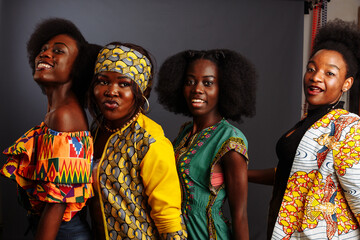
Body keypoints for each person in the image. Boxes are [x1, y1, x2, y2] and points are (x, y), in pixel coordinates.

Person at [248, 19, 360, 239]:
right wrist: (240, 174)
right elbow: (291, 173)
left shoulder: (348, 127)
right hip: (283, 228)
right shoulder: (309, 123)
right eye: (311, 68)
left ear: (346, 83)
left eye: (329, 73)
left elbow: (358, 193)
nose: (316, 77)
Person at [0, 18, 100, 239]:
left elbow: (57, 203)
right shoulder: (59, 113)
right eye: (43, 49)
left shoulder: (64, 116)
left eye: (58, 51)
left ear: (77, 66)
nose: (45, 54)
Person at [88, 42, 187, 240]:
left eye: (123, 83)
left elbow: (168, 217)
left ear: (141, 91)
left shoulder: (150, 141)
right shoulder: (97, 130)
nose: (111, 90)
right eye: (103, 81)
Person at [156, 49, 257, 239]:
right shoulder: (185, 132)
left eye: (208, 83)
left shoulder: (230, 140)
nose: (197, 89)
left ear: (224, 89)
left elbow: (240, 215)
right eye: (190, 82)